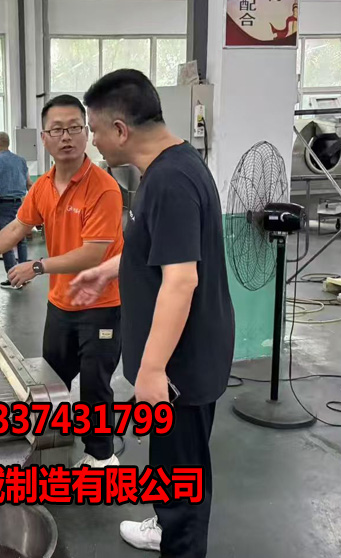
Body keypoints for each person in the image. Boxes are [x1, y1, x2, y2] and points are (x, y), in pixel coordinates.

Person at [70, 69, 235, 557]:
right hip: (186, 356)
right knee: (172, 464)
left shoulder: (169, 181)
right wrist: (107, 272)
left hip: (181, 364)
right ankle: (166, 526)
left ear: (120, 130)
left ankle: (178, 541)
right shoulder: (175, 165)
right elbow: (161, 250)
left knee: (182, 473)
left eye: (95, 130)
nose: (93, 141)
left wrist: (152, 369)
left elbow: (181, 280)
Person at [0, 95, 124, 467]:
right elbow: (17, 227)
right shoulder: (43, 187)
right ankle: (53, 447)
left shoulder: (103, 188)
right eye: (57, 129)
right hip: (61, 305)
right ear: (43, 138)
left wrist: (37, 266)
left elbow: (93, 254)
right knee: (52, 381)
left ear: (86, 133)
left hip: (101, 306)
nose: (67, 137)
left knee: (95, 388)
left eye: (74, 128)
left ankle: (101, 458)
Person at [0, 131, 33, 289]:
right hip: (21, 204)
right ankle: (24, 274)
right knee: (21, 239)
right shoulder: (21, 160)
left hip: (4, 205)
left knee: (6, 241)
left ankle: (13, 277)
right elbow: (29, 184)